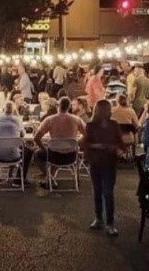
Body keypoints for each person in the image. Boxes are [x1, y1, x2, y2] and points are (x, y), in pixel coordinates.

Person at [85, 99, 124, 236]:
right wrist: (101, 146)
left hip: (109, 163)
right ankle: (98, 218)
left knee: (108, 192)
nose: (110, 111)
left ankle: (110, 223)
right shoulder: (91, 126)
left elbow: (120, 142)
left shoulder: (114, 125)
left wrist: (118, 149)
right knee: (97, 191)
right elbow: (86, 143)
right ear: (101, 111)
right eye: (108, 109)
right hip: (96, 162)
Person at [33, 96, 86, 181]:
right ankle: (51, 177)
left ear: (58, 106)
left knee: (37, 154)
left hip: (54, 156)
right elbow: (88, 134)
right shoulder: (77, 119)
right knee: (57, 150)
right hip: (71, 156)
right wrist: (77, 142)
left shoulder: (49, 120)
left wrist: (43, 148)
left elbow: (36, 138)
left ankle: (49, 176)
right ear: (69, 107)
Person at [0, 101, 30, 184]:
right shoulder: (17, 120)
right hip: (14, 155)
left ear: (3, 109)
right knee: (28, 151)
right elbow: (23, 134)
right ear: (13, 110)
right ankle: (19, 178)